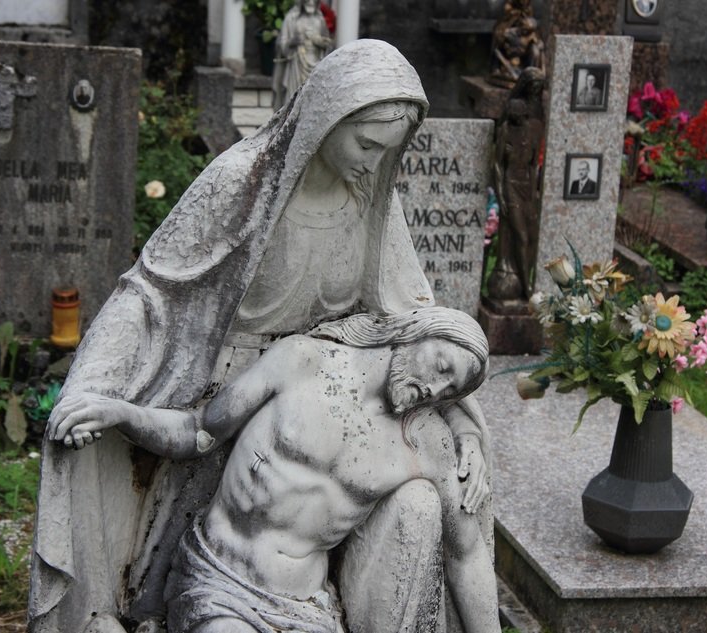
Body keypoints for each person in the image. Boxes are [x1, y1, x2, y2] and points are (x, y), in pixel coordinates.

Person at [29, 40, 495, 633]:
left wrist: (462, 431)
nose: (375, 163)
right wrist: (93, 384)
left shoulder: (375, 203)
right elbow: (148, 295)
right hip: (229, 397)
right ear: (328, 116)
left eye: (388, 151)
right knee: (159, 589)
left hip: (335, 405)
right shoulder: (243, 182)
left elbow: (418, 325)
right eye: (367, 144)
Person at [51, 308, 497, 633]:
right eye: (442, 367)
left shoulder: (427, 442)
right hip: (220, 583)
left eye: (450, 389)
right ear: (412, 332)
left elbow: (466, 553)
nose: (436, 389)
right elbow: (198, 431)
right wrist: (121, 414)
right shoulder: (303, 361)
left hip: (307, 609)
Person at [486, 68, 545, 304]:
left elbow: (533, 164)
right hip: (510, 185)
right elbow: (497, 164)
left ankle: (524, 278)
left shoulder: (532, 130)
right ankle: (526, 285)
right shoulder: (506, 130)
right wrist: (501, 196)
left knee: (532, 235)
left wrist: (535, 191)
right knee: (520, 236)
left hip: (526, 188)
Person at [273, 0, 333, 108]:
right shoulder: (292, 19)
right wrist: (292, 42)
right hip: (296, 65)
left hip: (316, 64)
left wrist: (319, 41)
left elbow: (328, 44)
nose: (310, 2)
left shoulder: (320, 20)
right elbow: (282, 44)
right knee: (293, 99)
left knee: (314, 99)